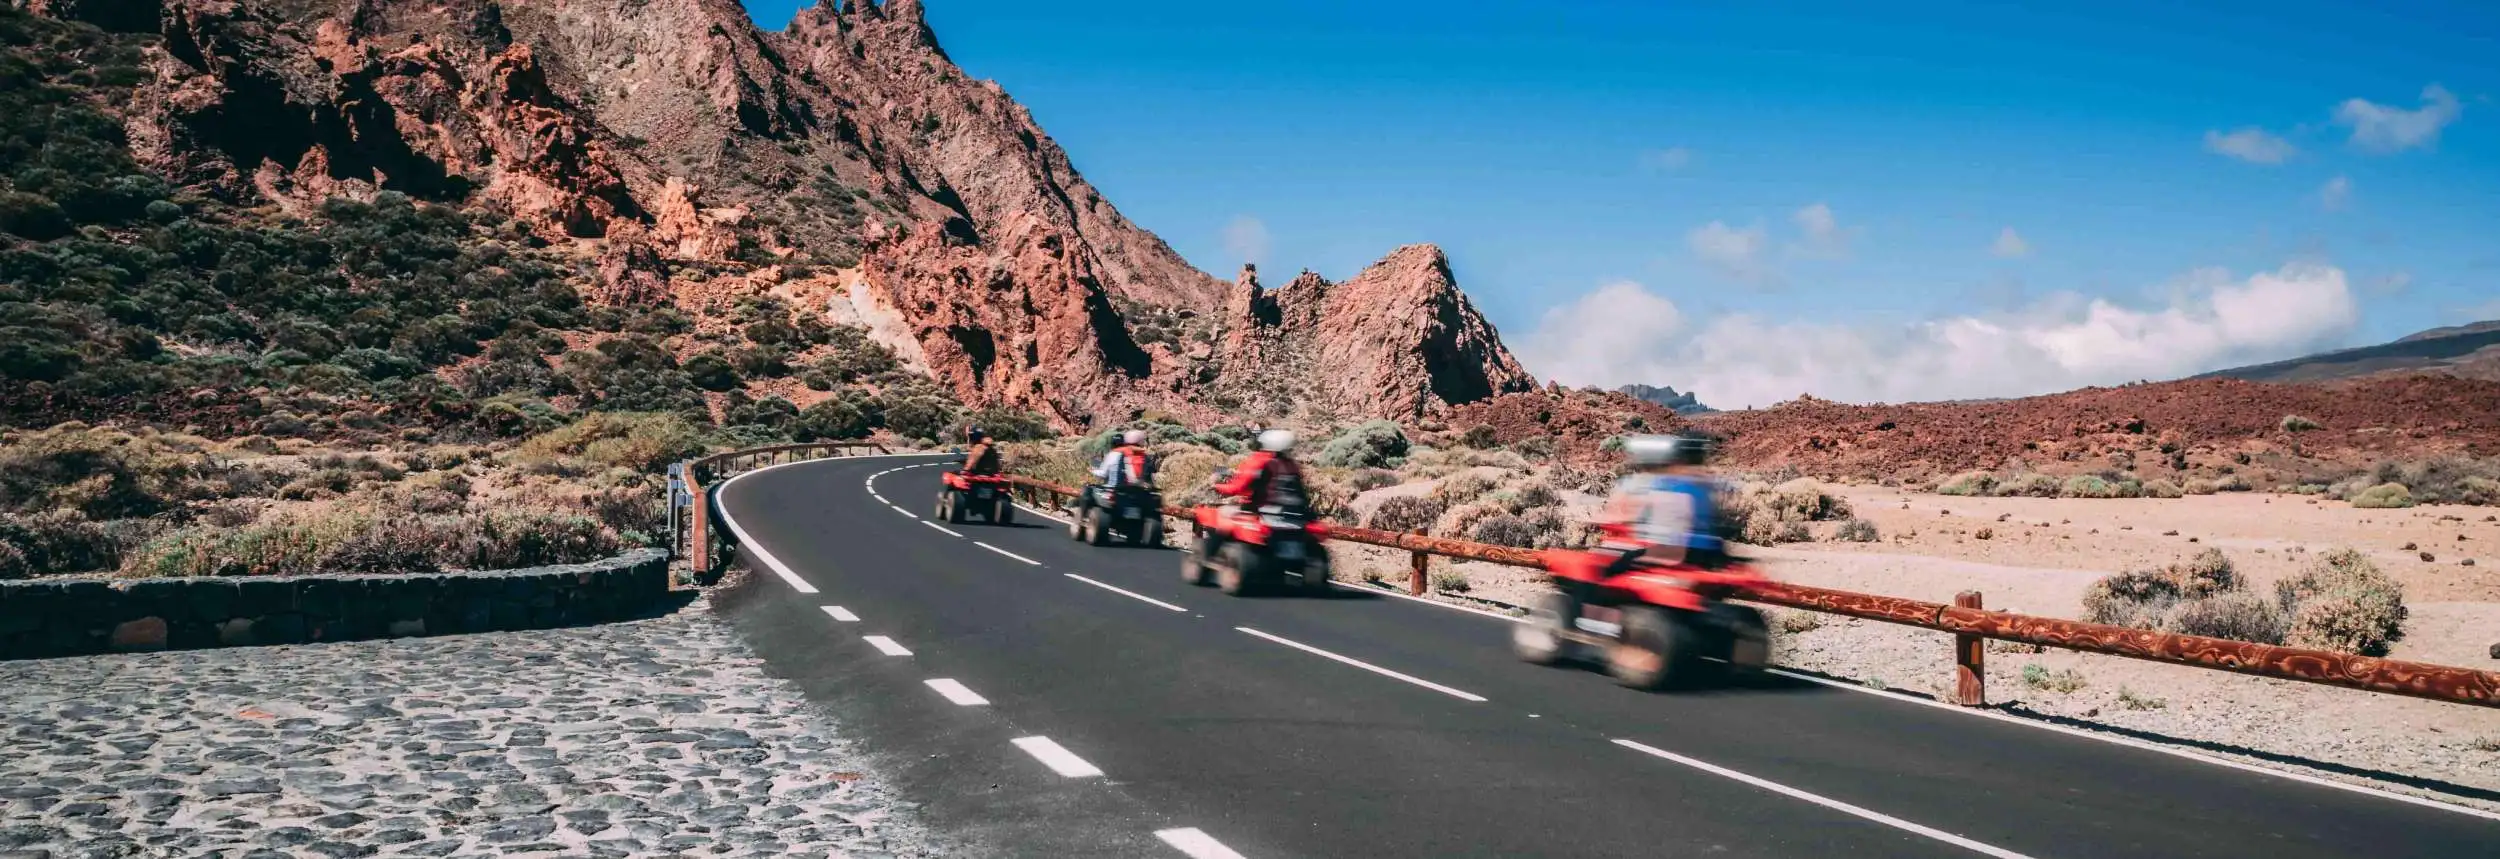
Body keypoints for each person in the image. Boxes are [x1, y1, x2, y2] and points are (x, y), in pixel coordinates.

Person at [1555, 434, 1726, 628]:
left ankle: (1596, 618)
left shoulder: (1668, 484)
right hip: (1708, 554)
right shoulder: (1708, 483)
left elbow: (1643, 518)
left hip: (1669, 550)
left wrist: (1604, 520)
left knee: (1603, 567)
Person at [1213, 429, 1308, 512]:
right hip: (1296, 515)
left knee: (1222, 514)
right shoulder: (1292, 465)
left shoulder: (1260, 460)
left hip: (1263, 511)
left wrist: (1215, 486)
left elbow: (1237, 487)